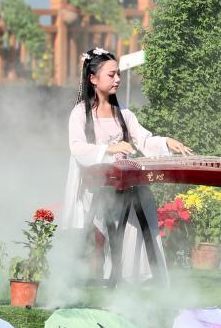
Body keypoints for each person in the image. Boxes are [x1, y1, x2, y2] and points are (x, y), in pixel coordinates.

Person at [61, 46, 192, 281]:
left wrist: (166, 142)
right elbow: (77, 148)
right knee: (128, 201)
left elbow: (144, 140)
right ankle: (123, 275)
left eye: (118, 74)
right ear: (93, 78)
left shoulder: (123, 113)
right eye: (111, 75)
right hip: (97, 187)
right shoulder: (80, 113)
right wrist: (108, 149)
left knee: (143, 197)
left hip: (122, 182)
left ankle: (140, 276)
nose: (117, 79)